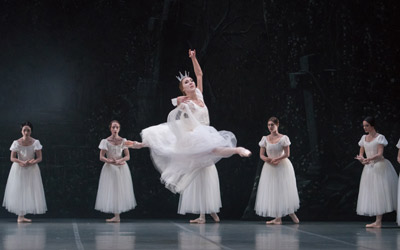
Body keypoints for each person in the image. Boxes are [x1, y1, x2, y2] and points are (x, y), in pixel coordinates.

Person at [127, 49, 250, 222]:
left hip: (207, 133)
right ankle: (237, 150)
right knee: (200, 158)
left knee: (207, 173)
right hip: (196, 137)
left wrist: (193, 58)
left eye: (190, 80)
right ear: (183, 89)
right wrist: (178, 101)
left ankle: (210, 212)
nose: (191, 82)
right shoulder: (187, 102)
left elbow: (199, 74)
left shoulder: (199, 95)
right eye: (187, 82)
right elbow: (176, 116)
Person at [254, 117, 300, 225]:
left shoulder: (284, 138)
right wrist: (268, 160)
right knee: (273, 190)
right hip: (270, 167)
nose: (270, 127)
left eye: (272, 125)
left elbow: (287, 154)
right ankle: (278, 217)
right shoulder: (265, 139)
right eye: (269, 125)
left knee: (283, 189)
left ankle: (290, 213)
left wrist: (277, 159)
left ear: (277, 125)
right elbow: (261, 155)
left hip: (282, 165)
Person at [355, 116, 398, 228]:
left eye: (367, 125)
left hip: (380, 166)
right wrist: (362, 160)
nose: (364, 128)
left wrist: (369, 159)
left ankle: (398, 216)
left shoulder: (380, 137)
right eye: (364, 126)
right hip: (369, 169)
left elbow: (379, 153)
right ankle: (378, 221)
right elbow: (361, 153)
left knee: (384, 193)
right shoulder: (364, 138)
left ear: (372, 126)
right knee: (374, 193)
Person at [3, 121, 47, 223]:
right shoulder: (16, 142)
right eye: (24, 130)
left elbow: (39, 158)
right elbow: (12, 158)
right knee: (19, 189)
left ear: (31, 131)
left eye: (28, 130)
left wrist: (32, 162)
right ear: (21, 131)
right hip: (19, 168)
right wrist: (21, 162)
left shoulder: (35, 142)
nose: (26, 132)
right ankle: (20, 216)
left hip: (31, 169)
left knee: (29, 190)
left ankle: (21, 216)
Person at [95, 120, 137, 222]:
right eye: (113, 127)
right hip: (110, 168)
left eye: (117, 127)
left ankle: (117, 216)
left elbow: (127, 156)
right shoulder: (105, 141)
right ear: (110, 128)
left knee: (119, 190)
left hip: (121, 167)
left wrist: (119, 160)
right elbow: (101, 157)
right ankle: (116, 216)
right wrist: (109, 161)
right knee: (112, 190)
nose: (115, 129)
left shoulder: (123, 141)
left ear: (119, 129)